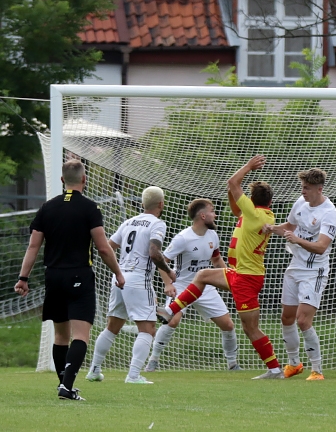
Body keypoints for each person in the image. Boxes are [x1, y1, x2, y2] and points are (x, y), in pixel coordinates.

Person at [158, 156, 282, 379]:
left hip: (247, 278)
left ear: (251, 200)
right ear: (270, 202)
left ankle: (274, 368)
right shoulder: (258, 214)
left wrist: (248, 168)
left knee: (250, 329)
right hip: (238, 273)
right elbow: (236, 204)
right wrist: (230, 191)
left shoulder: (253, 214)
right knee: (203, 274)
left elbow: (234, 182)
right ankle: (170, 310)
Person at [15, 159, 125, 400]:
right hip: (79, 276)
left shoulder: (47, 207)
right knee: (81, 336)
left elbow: (33, 246)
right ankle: (66, 387)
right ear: (84, 180)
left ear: (63, 180)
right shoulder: (90, 208)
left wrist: (23, 278)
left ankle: (63, 385)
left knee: (60, 336)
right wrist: (118, 272)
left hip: (53, 276)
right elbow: (104, 248)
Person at [85, 185, 175, 384]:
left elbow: (108, 246)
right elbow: (154, 252)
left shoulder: (129, 222)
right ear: (161, 204)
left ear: (143, 204)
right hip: (138, 279)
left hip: (120, 278)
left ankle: (94, 370)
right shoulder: (157, 224)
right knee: (148, 329)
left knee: (112, 327)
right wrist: (169, 271)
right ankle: (133, 375)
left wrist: (119, 266)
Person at [144, 199, 239, 372]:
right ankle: (153, 360)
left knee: (228, 325)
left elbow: (216, 259)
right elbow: (162, 261)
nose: (215, 215)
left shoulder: (213, 235)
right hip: (182, 285)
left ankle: (232, 364)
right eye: (212, 211)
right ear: (203, 216)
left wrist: (230, 280)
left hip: (206, 287)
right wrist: (168, 284)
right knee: (172, 320)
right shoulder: (183, 238)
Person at [266, 168, 336, 381]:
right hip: (294, 267)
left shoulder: (329, 213)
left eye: (307, 188)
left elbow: (322, 247)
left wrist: (296, 240)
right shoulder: (300, 202)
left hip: (314, 271)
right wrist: (270, 228)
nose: (303, 191)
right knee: (286, 317)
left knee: (303, 320)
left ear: (319, 189)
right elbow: (289, 226)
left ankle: (317, 370)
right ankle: (294, 364)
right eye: (302, 187)